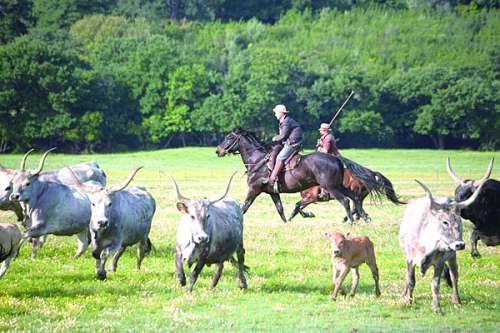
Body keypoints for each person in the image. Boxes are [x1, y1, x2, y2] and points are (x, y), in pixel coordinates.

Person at [263, 104, 304, 189]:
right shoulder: (283, 121)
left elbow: (283, 135)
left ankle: (273, 177)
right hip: (289, 142)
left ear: (281, 113)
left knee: (280, 157)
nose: (275, 114)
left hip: (293, 143)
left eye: (276, 113)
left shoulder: (286, 122)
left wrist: (274, 138)